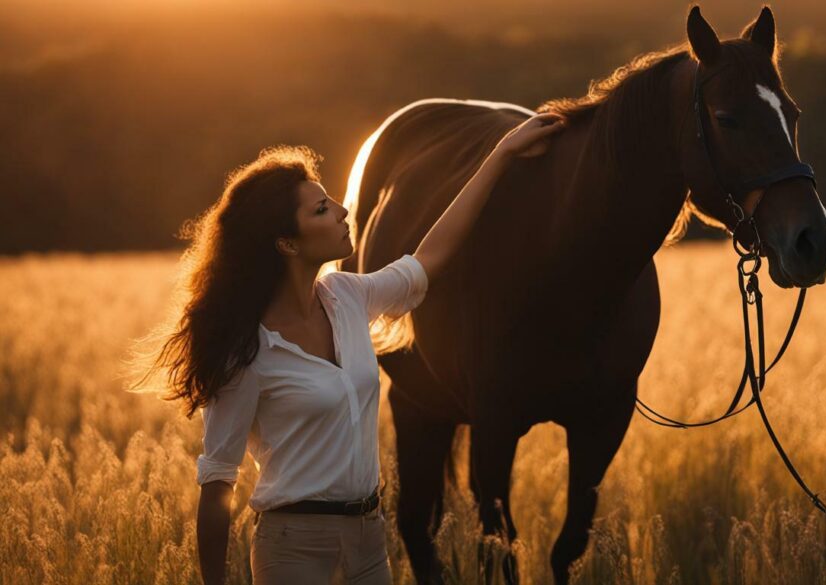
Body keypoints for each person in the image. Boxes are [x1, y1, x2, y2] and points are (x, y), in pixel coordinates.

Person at [139, 112, 566, 585]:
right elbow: (218, 482)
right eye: (321, 210)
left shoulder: (347, 297)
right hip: (293, 550)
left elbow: (430, 257)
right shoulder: (245, 352)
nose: (343, 211)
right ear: (286, 244)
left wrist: (502, 153)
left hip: (369, 541)